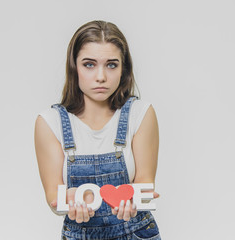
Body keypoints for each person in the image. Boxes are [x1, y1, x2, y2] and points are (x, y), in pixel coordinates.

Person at [34, 20, 161, 240]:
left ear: (123, 69)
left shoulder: (140, 114)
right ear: (74, 67)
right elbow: (54, 197)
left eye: (111, 65)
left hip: (136, 232)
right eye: (89, 64)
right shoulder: (49, 122)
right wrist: (70, 201)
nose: (101, 76)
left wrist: (135, 201)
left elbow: (144, 182)